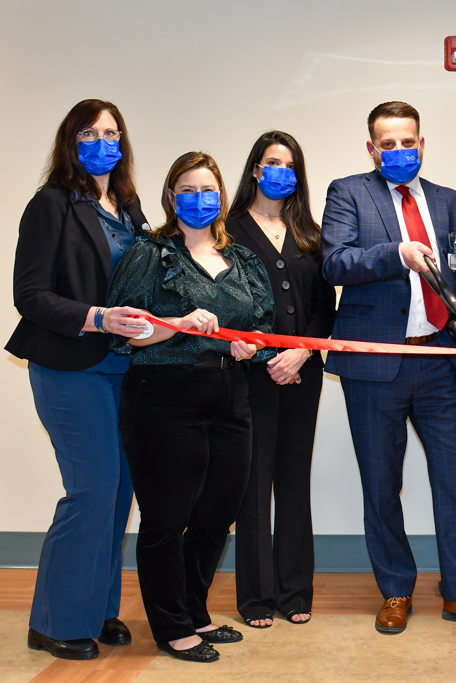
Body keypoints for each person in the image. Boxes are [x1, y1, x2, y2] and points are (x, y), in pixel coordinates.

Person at [321, 101, 456, 635]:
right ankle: (395, 590)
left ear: (422, 145)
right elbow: (334, 262)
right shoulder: (348, 193)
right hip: (375, 363)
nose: (400, 151)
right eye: (389, 143)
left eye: (409, 141)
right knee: (381, 485)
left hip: (438, 361)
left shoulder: (451, 203)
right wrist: (395, 254)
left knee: (454, 481)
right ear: (371, 149)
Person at [107, 151, 276, 663]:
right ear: (170, 197)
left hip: (231, 395)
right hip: (164, 397)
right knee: (167, 516)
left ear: (221, 198)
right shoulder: (150, 253)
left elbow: (261, 322)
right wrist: (177, 322)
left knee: (216, 513)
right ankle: (171, 625)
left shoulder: (242, 260)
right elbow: (129, 333)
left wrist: (251, 345)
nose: (199, 199)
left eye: (208, 190)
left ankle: (194, 609)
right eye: (188, 190)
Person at [7, 99, 147, 660]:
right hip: (71, 367)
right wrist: (97, 318)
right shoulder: (51, 205)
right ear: (71, 141)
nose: (102, 140)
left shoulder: (129, 208)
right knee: (91, 489)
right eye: (89, 131)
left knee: (118, 494)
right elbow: (30, 296)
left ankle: (97, 608)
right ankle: (53, 620)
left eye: (111, 131)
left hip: (127, 368)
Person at [227, 131, 336, 628]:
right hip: (248, 375)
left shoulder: (310, 233)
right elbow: (227, 304)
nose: (281, 172)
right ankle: (254, 597)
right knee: (253, 485)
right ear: (255, 169)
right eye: (272, 162)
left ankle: (295, 592)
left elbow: (322, 309)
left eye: (290, 165)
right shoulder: (227, 230)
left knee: (294, 482)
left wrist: (299, 354)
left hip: (301, 373)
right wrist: (268, 355)